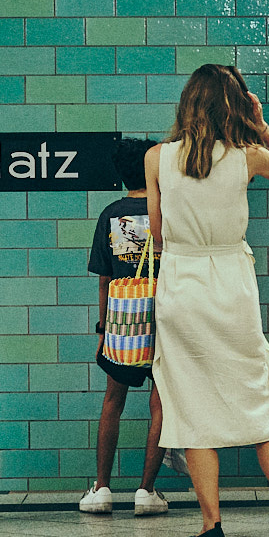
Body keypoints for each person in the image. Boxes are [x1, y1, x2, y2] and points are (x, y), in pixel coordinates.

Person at [146, 64, 269, 537]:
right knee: (257, 392)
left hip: (181, 284)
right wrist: (261, 125)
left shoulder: (157, 157)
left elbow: (157, 234)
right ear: (235, 106)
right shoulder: (248, 155)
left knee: (192, 401)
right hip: (232, 285)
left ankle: (211, 525)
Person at [80, 137, 170, 517]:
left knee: (112, 401)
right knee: (160, 403)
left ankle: (101, 489)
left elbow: (103, 278)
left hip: (123, 318)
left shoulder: (111, 214)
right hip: (165, 316)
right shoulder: (166, 210)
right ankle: (146, 491)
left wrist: (103, 328)